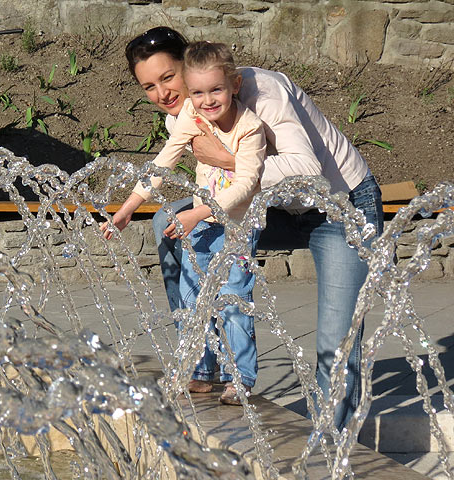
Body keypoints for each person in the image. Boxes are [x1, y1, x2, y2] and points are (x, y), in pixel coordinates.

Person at [111, 26, 384, 431]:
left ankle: (330, 449)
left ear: (190, 67)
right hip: (269, 208)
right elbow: (186, 173)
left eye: (168, 78)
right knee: (169, 220)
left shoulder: (264, 93)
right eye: (148, 86)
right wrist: (130, 204)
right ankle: (208, 366)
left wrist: (223, 159)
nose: (162, 94)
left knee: (335, 344)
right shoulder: (189, 113)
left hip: (338, 208)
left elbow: (307, 172)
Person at [102, 40, 266, 405]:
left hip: (239, 226)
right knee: (192, 297)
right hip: (203, 224)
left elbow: (246, 184)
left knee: (233, 300)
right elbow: (165, 160)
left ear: (234, 86)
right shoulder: (192, 114)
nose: (206, 101)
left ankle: (240, 379)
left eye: (215, 91)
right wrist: (129, 206)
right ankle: (201, 371)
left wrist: (196, 212)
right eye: (198, 93)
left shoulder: (249, 128)